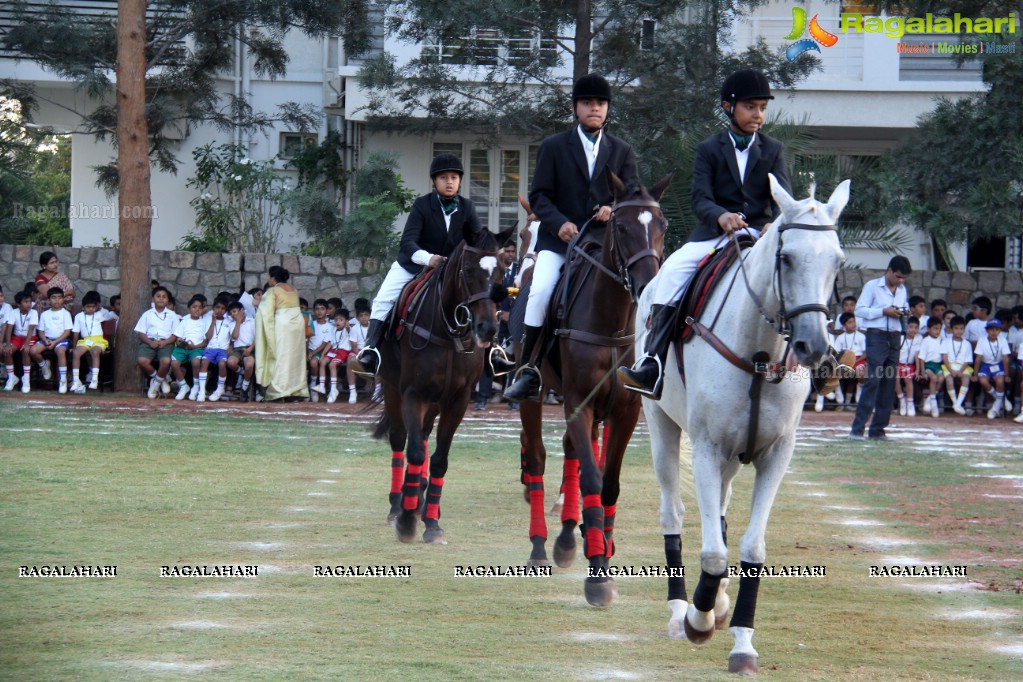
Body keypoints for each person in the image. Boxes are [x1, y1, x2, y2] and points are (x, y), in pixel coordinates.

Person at [619, 69, 788, 399]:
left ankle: (818, 357)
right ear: (729, 106)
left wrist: (774, 223)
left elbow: (782, 198)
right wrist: (721, 215)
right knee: (669, 275)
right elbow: (700, 198)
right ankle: (651, 362)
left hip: (759, 234)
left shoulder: (774, 149)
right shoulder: (710, 148)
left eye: (762, 108)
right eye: (750, 107)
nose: (758, 114)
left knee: (801, 268)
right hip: (716, 235)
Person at [504, 73, 639, 401]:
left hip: (604, 246)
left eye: (601, 103)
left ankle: (645, 362)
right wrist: (560, 223)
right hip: (561, 243)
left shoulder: (621, 151)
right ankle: (531, 368)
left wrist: (611, 205)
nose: (595, 108)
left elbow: (633, 194)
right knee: (539, 292)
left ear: (607, 109)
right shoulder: (554, 147)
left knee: (639, 291)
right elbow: (540, 197)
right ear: (575, 108)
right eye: (588, 103)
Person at [351, 153, 491, 378]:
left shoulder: (467, 207)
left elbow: (478, 240)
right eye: (443, 177)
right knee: (383, 299)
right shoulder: (423, 205)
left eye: (454, 177)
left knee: (483, 297)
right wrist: (429, 259)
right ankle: (371, 351)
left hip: (452, 271)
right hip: (414, 266)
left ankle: (492, 353)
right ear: (434, 182)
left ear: (460, 181)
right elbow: (407, 242)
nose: (449, 182)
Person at [848, 255, 912, 440]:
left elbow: (904, 306)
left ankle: (878, 430)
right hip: (876, 336)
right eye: (898, 276)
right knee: (873, 381)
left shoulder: (902, 290)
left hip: (894, 337)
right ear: (889, 271)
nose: (900, 281)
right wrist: (883, 311)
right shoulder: (872, 286)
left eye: (903, 278)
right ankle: (857, 429)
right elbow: (859, 310)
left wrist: (903, 311)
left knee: (889, 383)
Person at [254, 266, 310, 401]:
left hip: (283, 324)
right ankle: (296, 390)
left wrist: (256, 303)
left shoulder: (273, 290)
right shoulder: (294, 290)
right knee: (295, 358)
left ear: (273, 278)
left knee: (281, 356)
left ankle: (279, 391)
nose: (268, 279)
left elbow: (266, 312)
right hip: (297, 325)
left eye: (269, 276)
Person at [476, 240, 519, 410]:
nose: (510, 254)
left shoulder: (519, 270)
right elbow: (487, 292)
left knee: (514, 358)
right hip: (494, 319)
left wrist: (513, 313)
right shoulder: (492, 270)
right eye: (507, 251)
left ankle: (513, 398)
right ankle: (482, 398)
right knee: (488, 356)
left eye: (512, 252)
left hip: (513, 321)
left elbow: (520, 292)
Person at [135, 286, 178, 399]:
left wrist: (165, 342)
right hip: (150, 342)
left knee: (166, 361)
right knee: (142, 360)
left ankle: (154, 387)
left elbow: (175, 335)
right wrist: (150, 342)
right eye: (158, 296)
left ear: (168, 300)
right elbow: (140, 332)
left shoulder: (172, 315)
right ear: (153, 299)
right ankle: (161, 380)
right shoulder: (147, 314)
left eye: (164, 297)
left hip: (166, 342)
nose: (161, 299)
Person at [30, 287, 73, 393]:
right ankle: (44, 365)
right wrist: (45, 340)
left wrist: (55, 342)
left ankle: (63, 380)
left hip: (61, 340)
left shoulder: (65, 313)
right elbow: (40, 331)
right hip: (47, 339)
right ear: (48, 300)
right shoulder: (45, 314)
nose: (57, 300)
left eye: (59, 297)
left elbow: (67, 332)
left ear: (63, 299)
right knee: (33, 351)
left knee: (60, 351)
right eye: (53, 298)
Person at [68, 291, 113, 393]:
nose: (91, 309)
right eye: (88, 307)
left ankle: (94, 378)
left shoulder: (99, 314)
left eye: (93, 307)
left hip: (98, 340)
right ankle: (76, 380)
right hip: (85, 340)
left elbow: (112, 316)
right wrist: (74, 346)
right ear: (83, 307)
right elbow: (75, 332)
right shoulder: (79, 316)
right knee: (76, 353)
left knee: (95, 352)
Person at [824, 312, 866, 411]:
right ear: (844, 325)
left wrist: (855, 360)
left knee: (861, 372)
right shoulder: (841, 338)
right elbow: (836, 354)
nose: (853, 324)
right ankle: (840, 401)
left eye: (854, 321)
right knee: (834, 373)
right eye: (850, 322)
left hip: (859, 360)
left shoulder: (861, 336)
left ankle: (857, 398)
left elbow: (865, 353)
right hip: (844, 360)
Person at [170, 295, 209, 401]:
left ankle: (195, 386)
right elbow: (178, 338)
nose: (197, 309)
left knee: (196, 362)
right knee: (174, 364)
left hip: (196, 348)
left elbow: (205, 342)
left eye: (200, 307)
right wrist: (181, 342)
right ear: (189, 309)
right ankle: (183, 386)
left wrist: (194, 346)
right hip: (183, 348)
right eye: (194, 307)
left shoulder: (204, 323)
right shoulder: (184, 321)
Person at [974, 319, 1011, 419]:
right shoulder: (982, 340)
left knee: (1000, 381)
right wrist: (975, 374)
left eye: (996, 329)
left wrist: (1007, 375)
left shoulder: (1003, 340)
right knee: (983, 381)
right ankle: (1002, 399)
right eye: (991, 329)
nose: (993, 332)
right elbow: (978, 358)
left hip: (998, 365)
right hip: (985, 365)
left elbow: (1005, 359)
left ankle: (995, 408)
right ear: (987, 330)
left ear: (999, 331)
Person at [197, 296, 233, 402]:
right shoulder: (208, 319)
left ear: (225, 310)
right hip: (210, 348)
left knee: (222, 364)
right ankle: (202, 391)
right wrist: (213, 321)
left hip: (222, 350)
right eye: (217, 307)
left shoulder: (229, 322)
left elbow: (232, 338)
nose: (219, 310)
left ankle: (220, 388)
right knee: (204, 363)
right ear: (213, 308)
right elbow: (208, 337)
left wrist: (231, 347)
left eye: (222, 308)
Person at [2, 291, 38, 393]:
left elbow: (31, 329)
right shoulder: (13, 312)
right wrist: (8, 344)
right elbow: (9, 328)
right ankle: (12, 377)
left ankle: (26, 380)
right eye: (26, 302)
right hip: (17, 338)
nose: (29, 304)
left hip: (30, 337)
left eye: (30, 302)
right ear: (18, 304)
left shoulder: (34, 313)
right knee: (7, 351)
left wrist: (26, 344)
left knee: (25, 351)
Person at [941, 315, 973, 415]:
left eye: (961, 328)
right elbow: (944, 357)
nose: (959, 331)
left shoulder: (967, 343)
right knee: (949, 380)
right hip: (949, 366)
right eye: (956, 328)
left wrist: (960, 371)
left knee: (966, 379)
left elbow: (967, 360)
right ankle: (956, 403)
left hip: (962, 367)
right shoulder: (946, 341)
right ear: (952, 328)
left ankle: (958, 403)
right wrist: (951, 370)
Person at [917, 316, 946, 418]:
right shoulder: (926, 340)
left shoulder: (942, 340)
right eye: (935, 329)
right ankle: (934, 405)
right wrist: (923, 371)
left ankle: (929, 399)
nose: (937, 331)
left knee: (941, 378)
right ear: (929, 329)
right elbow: (922, 358)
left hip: (937, 365)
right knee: (933, 378)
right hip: (928, 365)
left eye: (939, 329)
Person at [226, 301, 256, 401]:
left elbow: (258, 338)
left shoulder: (252, 322)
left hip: (250, 348)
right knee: (230, 362)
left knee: (249, 364)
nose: (233, 314)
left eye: (235, 311)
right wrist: (238, 322)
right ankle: (242, 373)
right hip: (238, 349)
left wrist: (250, 349)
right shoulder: (232, 324)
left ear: (242, 310)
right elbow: (234, 337)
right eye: (231, 313)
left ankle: (245, 386)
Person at [323, 308, 353, 404]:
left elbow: (349, 330)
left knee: (332, 365)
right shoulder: (334, 330)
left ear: (346, 321)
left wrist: (348, 327)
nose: (338, 322)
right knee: (322, 361)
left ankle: (333, 389)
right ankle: (322, 385)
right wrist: (323, 353)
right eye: (336, 320)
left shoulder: (347, 329)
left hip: (343, 351)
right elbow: (330, 343)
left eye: (341, 320)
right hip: (334, 351)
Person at [896, 316, 923, 417]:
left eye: (916, 327)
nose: (913, 330)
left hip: (910, 365)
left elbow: (917, 355)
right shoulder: (900, 337)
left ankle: (910, 402)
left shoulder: (919, 338)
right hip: (898, 364)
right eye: (911, 327)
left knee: (908, 379)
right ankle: (902, 400)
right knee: (895, 379)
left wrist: (918, 370)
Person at [307, 299, 333, 396]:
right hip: (308, 350)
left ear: (326, 311)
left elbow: (324, 344)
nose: (319, 311)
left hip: (319, 352)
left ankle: (313, 383)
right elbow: (307, 339)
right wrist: (307, 352)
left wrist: (312, 354)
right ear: (313, 311)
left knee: (314, 363)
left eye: (322, 309)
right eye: (317, 309)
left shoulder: (330, 327)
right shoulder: (311, 324)